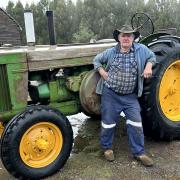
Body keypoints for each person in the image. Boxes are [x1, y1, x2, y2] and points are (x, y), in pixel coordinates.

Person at [93, 25, 156, 167]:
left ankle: (139, 152)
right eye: (123, 35)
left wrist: (148, 66)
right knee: (108, 123)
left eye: (129, 35)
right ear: (119, 38)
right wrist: (102, 72)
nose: (126, 38)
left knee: (136, 123)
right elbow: (96, 60)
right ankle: (107, 148)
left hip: (130, 96)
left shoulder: (141, 50)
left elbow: (152, 57)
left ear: (134, 38)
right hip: (111, 94)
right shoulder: (111, 52)